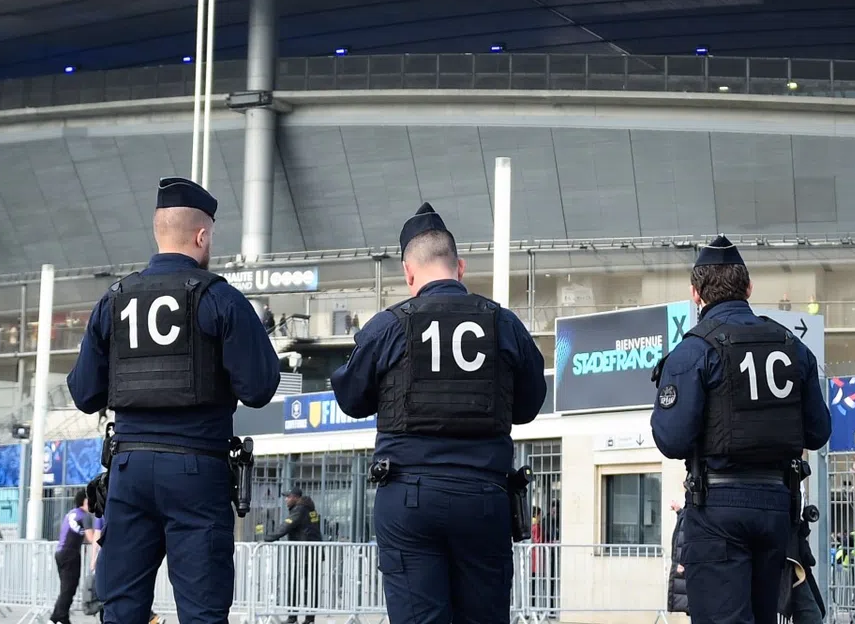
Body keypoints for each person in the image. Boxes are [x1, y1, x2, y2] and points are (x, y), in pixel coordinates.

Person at [66, 176, 282, 624]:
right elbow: (260, 388)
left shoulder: (114, 300)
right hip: (197, 470)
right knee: (203, 611)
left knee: (121, 607)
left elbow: (84, 393)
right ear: (202, 236)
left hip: (128, 472)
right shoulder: (219, 298)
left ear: (158, 232)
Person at [331, 201, 547, 624]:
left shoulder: (390, 326)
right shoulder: (503, 324)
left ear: (408, 274)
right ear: (460, 267)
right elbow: (528, 406)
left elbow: (350, 398)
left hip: (409, 497)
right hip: (484, 498)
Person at [649, 236, 832, 624]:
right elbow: (817, 433)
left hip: (717, 509)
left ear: (696, 294)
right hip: (775, 510)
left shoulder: (694, 350)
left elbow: (672, 439)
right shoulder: (792, 346)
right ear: (748, 288)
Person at [268, 489, 324, 624]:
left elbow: (285, 526)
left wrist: (267, 539)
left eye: (288, 497)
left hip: (303, 554)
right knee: (311, 586)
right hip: (312, 553)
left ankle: (293, 617)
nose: (286, 500)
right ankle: (309, 619)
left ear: (296, 497)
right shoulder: (310, 509)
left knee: (295, 585)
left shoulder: (299, 509)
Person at [51, 494, 100, 624]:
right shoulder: (85, 516)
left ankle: (58, 617)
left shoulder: (71, 513)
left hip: (61, 552)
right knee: (69, 588)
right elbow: (91, 538)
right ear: (84, 501)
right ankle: (59, 618)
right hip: (70, 555)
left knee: (66, 588)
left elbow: (77, 533)